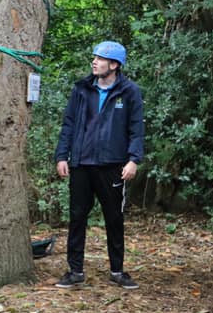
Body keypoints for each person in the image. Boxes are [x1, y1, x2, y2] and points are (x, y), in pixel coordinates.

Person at [54, 41, 145, 290]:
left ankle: (117, 271)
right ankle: (75, 272)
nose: (94, 62)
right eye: (94, 58)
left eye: (100, 59)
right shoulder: (81, 89)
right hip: (82, 163)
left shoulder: (129, 92)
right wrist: (62, 156)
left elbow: (136, 129)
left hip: (112, 166)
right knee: (77, 217)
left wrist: (133, 160)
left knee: (114, 219)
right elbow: (68, 124)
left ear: (114, 65)